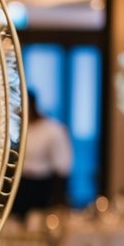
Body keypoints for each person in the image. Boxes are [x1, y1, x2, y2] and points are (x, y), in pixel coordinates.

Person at [12, 89, 73, 217]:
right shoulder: (16, 129)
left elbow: (62, 167)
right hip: (19, 185)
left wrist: (58, 199)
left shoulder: (52, 130)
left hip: (42, 187)